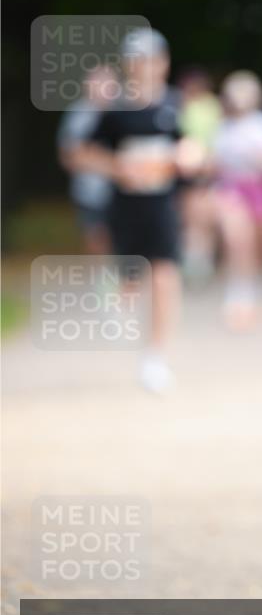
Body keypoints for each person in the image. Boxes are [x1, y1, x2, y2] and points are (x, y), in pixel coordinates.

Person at [74, 28, 203, 392]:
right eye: (138, 61)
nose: (145, 67)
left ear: (164, 63)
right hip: (125, 208)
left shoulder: (176, 105)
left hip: (163, 207)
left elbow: (194, 147)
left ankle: (155, 357)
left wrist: (189, 156)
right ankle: (119, 303)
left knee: (164, 274)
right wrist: (118, 167)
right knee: (130, 279)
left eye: (151, 60)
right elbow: (82, 152)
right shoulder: (115, 108)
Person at [212, 70, 262, 330]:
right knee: (237, 242)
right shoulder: (223, 127)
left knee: (258, 249)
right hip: (232, 190)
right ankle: (236, 297)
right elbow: (213, 163)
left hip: (261, 189)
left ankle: (252, 295)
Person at [57, 64, 120, 254]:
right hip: (90, 193)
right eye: (97, 82)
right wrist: (114, 166)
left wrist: (94, 158)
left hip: (122, 194)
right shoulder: (78, 115)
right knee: (96, 240)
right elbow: (70, 157)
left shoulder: (125, 111)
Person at [176, 66, 222, 282]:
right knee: (191, 217)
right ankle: (194, 259)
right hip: (189, 167)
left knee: (203, 217)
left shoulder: (211, 107)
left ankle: (200, 259)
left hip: (207, 166)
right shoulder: (184, 106)